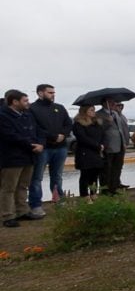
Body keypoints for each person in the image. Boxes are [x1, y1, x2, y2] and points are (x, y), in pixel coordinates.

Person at [0, 89, 45, 228]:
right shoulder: (3, 116)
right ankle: (8, 215)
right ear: (14, 102)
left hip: (28, 156)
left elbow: (38, 131)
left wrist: (41, 144)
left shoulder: (27, 115)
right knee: (9, 188)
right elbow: (11, 136)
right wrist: (32, 145)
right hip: (11, 158)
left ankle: (22, 211)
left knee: (23, 186)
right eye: (25, 101)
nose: (28, 103)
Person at [28, 83, 73, 215]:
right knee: (37, 178)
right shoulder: (32, 108)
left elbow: (68, 123)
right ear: (40, 93)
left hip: (60, 148)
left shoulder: (59, 107)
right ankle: (36, 204)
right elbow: (35, 127)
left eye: (54, 92)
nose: (53, 95)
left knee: (57, 176)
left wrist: (63, 135)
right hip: (44, 148)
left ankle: (59, 200)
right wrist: (53, 136)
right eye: (50, 92)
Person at [96, 98, 128, 195]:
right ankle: (105, 190)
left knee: (117, 168)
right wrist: (107, 122)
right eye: (110, 102)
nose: (113, 103)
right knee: (106, 169)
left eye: (113, 101)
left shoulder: (115, 113)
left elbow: (121, 129)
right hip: (108, 145)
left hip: (119, 145)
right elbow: (99, 129)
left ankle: (114, 188)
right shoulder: (99, 114)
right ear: (104, 103)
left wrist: (124, 142)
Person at [72, 105, 105, 198]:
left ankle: (93, 193)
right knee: (85, 175)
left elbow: (102, 134)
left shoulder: (96, 123)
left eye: (94, 110)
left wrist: (101, 144)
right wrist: (97, 145)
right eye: (91, 110)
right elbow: (82, 138)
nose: (94, 112)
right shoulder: (78, 124)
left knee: (95, 174)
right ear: (85, 111)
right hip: (85, 152)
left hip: (96, 152)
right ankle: (84, 195)